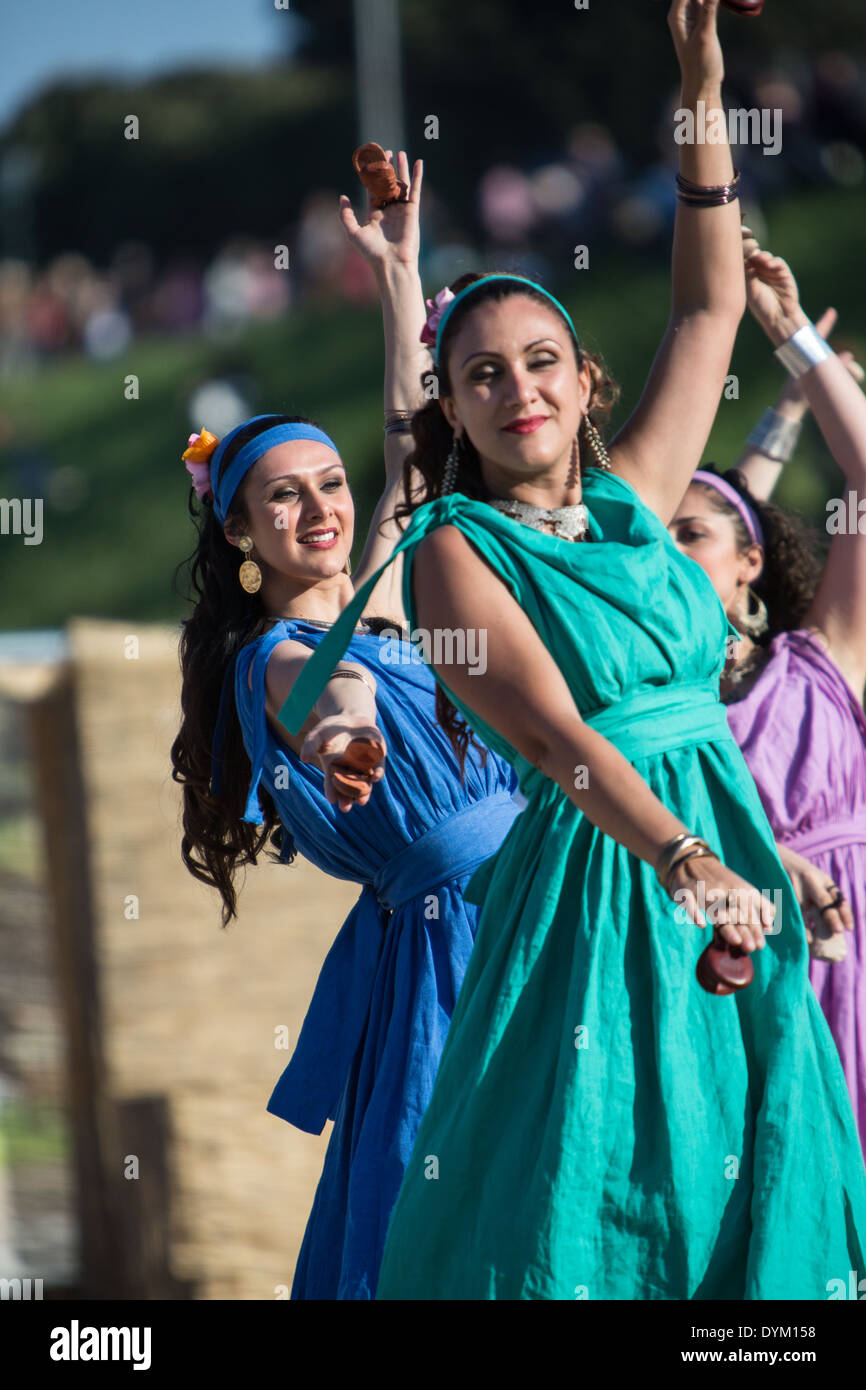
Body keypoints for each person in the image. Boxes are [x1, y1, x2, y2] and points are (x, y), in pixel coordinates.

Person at [277, 0, 866, 1299]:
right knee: (589, 1199)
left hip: (718, 847)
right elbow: (549, 734)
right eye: (480, 374)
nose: (517, 386)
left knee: (754, 1188)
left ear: (584, 382)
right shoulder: (450, 546)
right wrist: (688, 857)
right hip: (606, 879)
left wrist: (701, 84)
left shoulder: (635, 505)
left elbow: (709, 309)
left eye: (540, 359)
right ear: (452, 406)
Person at [170, 152, 522, 1300]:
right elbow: (334, 706)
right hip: (446, 940)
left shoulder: (388, 602)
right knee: (441, 1208)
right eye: (285, 494)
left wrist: (398, 273)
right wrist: (344, 746)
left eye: (330, 485)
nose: (321, 506)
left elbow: (408, 451)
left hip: (525, 895)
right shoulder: (271, 658)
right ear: (240, 534)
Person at [668, 235, 866, 1150]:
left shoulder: (823, 659)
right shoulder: (647, 713)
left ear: (752, 561)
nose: (666, 556)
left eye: (691, 536)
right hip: (730, 978)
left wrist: (793, 337)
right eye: (652, 544)